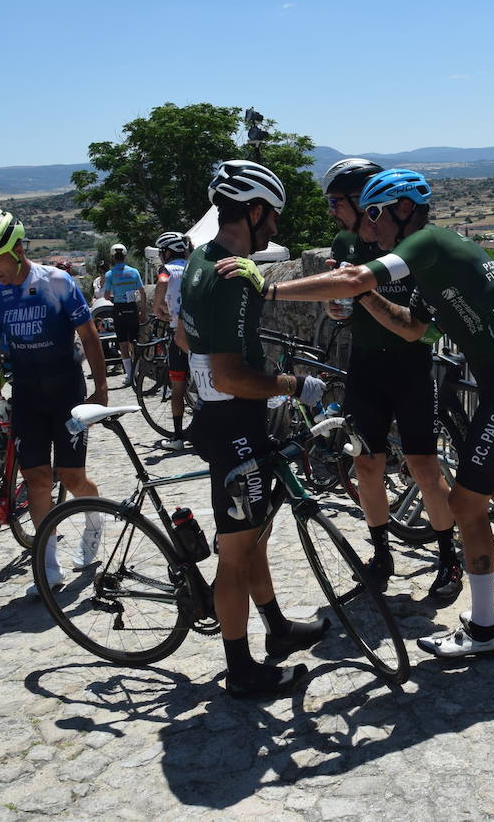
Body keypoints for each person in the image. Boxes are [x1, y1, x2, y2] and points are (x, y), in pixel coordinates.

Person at [231, 168, 494, 659]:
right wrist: (364, 297)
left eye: (375, 215)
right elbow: (410, 327)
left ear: (404, 211)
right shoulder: (437, 258)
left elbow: (356, 275)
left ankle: (485, 629)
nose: (369, 228)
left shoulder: (425, 243)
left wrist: (266, 290)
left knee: (467, 504)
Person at [179, 160, 327, 698]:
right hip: (234, 425)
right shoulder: (231, 280)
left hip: (221, 419)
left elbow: (181, 336)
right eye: (273, 216)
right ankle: (241, 670)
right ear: (255, 210)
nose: (276, 229)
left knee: (255, 536)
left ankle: (279, 629)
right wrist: (292, 385)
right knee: (236, 553)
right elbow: (228, 374)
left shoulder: (202, 261)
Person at [321, 158, 461, 600]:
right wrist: (333, 307)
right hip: (365, 364)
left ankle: (448, 557)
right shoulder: (345, 243)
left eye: (337, 202)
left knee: (423, 464)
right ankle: (381, 552)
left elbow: (425, 317)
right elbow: (338, 301)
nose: (332, 211)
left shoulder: (410, 243)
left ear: (367, 202)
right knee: (367, 463)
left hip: (410, 365)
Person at [0, 210, 109, 596]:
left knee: (71, 478)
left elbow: (88, 336)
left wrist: (101, 389)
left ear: (18, 249)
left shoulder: (57, 281)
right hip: (27, 395)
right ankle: (48, 566)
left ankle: (94, 520)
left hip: (66, 391)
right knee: (36, 479)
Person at [150, 231, 191, 451]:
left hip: (179, 335)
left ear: (167, 252)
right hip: (203, 334)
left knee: (178, 387)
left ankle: (177, 437)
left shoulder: (168, 270)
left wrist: (157, 308)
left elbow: (162, 283)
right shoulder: (194, 266)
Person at [102, 244, 145, 386]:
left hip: (119, 309)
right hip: (132, 308)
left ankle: (129, 375)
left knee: (123, 344)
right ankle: (138, 373)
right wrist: (143, 311)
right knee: (134, 342)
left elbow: (107, 296)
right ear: (125, 255)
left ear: (112, 256)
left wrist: (115, 295)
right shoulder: (134, 272)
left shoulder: (109, 274)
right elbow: (143, 293)